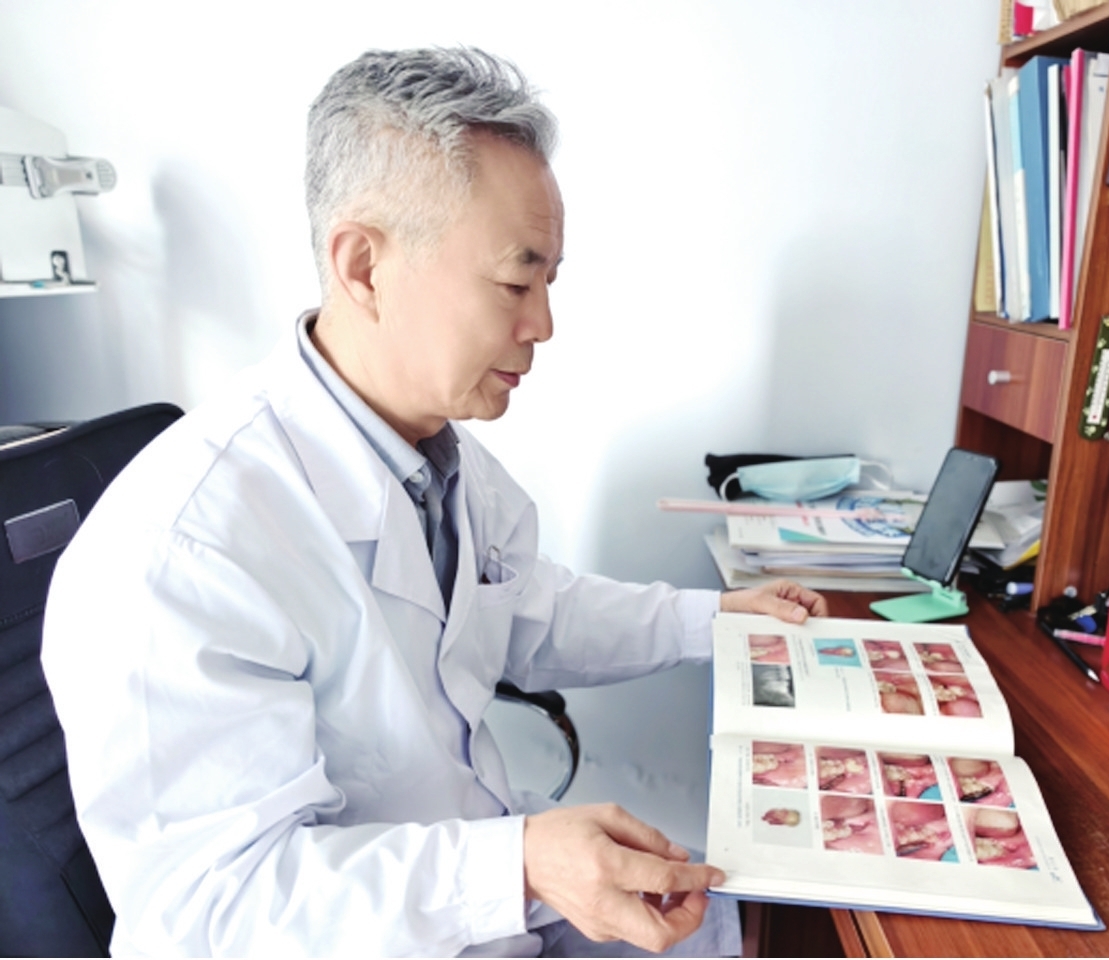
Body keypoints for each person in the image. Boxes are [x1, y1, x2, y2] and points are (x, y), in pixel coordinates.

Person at [42, 48, 827, 957]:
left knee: (762, 915)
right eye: (515, 282)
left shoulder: (438, 457)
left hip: (476, 901)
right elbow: (216, 913)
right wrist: (517, 865)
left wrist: (716, 620)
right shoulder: (183, 548)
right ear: (365, 267)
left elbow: (527, 609)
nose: (542, 325)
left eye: (549, 284)